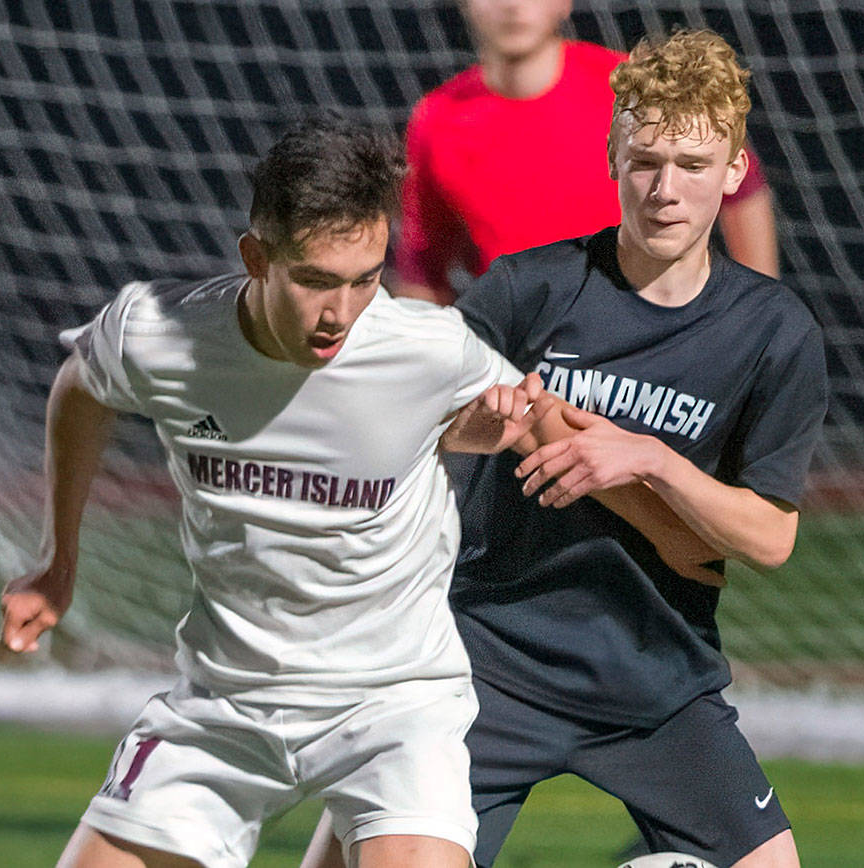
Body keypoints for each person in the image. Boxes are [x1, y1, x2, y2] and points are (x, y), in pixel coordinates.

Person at [304, 29, 826, 868]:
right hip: (489, 664)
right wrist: (499, 419)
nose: (666, 190)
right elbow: (414, 412)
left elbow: (770, 536)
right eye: (646, 160)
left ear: (732, 175)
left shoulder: (774, 332)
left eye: (693, 167)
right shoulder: (530, 287)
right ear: (613, 158)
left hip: (656, 679)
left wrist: (647, 457)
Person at [0, 117, 547, 868]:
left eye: (366, 279)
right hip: (225, 704)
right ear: (256, 257)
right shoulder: (159, 335)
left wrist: (486, 430)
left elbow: (511, 425)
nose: (343, 313)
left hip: (393, 705)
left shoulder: (431, 348)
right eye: (318, 280)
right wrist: (56, 561)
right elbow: (81, 388)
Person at [396, 0, 779, 305]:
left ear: (563, 3)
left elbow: (741, 185)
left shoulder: (627, 85)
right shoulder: (437, 121)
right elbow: (423, 272)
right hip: (518, 357)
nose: (513, 5)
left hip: (647, 335)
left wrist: (755, 311)